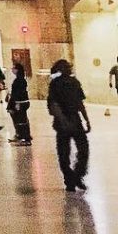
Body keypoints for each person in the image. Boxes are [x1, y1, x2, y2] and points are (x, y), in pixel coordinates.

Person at [46, 59, 90, 192]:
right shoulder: (57, 84)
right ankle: (73, 177)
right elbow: (54, 105)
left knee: (71, 152)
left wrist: (86, 119)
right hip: (67, 121)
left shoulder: (73, 82)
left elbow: (79, 103)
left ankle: (74, 177)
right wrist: (65, 120)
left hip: (70, 121)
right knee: (73, 151)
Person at [6, 63, 31, 146]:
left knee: (21, 120)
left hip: (20, 103)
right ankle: (19, 135)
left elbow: (17, 94)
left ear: (17, 70)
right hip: (20, 102)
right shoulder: (20, 79)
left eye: (14, 68)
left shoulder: (19, 80)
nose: (12, 69)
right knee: (20, 119)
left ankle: (25, 138)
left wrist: (15, 104)